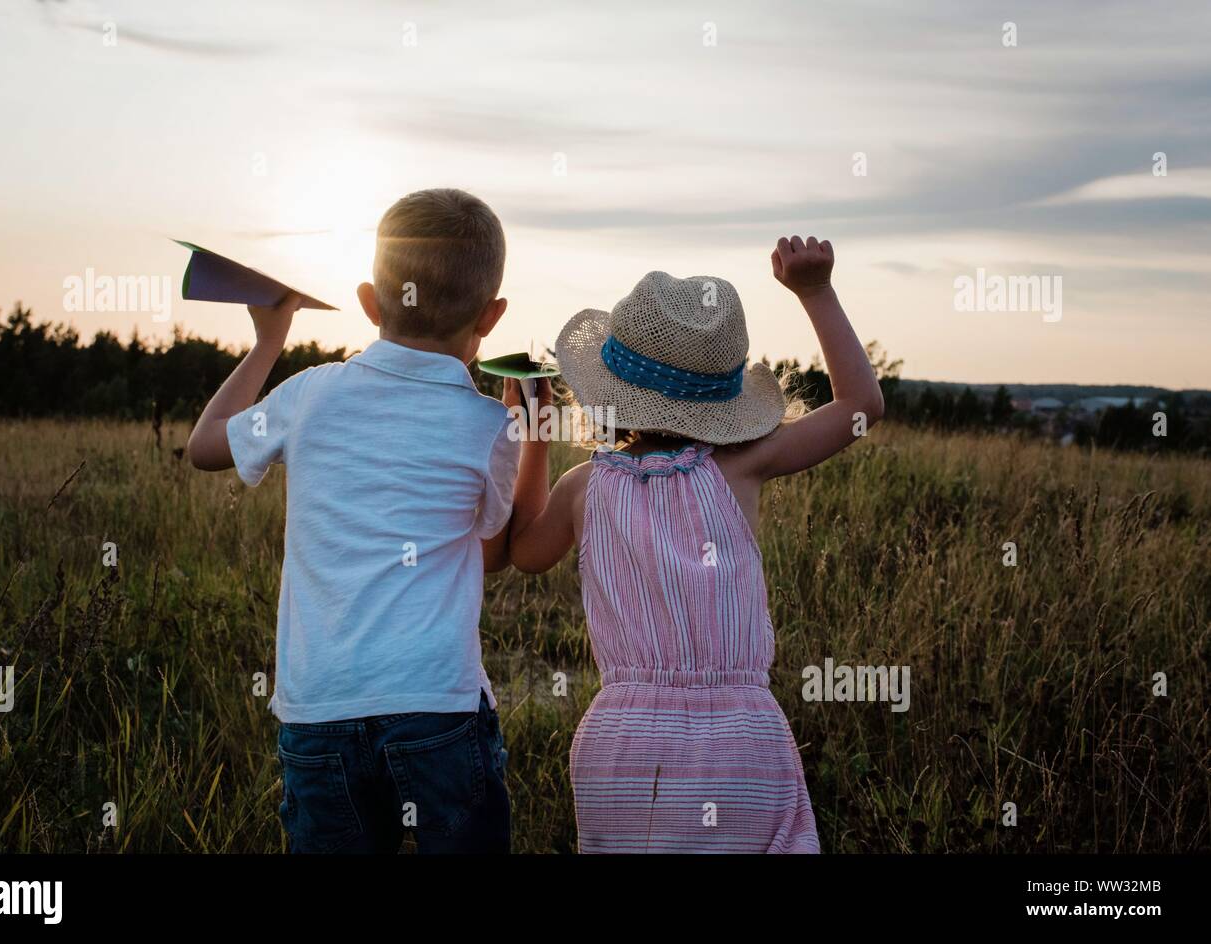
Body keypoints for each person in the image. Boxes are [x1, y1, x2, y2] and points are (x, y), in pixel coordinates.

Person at [508, 235, 883, 852]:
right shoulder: (740, 467)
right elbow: (862, 405)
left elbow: (523, 553)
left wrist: (534, 435)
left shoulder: (584, 487)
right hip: (741, 745)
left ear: (608, 386)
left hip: (620, 751)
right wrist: (815, 291)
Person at [187, 189, 519, 853]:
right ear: (493, 316)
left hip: (320, 709)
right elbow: (496, 547)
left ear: (370, 302)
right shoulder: (491, 427)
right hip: (438, 705)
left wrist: (268, 341)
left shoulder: (308, 394)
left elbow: (204, 446)